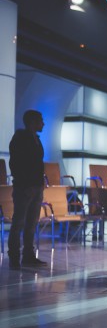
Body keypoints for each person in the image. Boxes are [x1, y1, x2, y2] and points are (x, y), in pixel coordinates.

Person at [8, 110, 48, 270]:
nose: (43, 123)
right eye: (40, 120)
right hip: (24, 188)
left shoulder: (36, 139)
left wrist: (39, 183)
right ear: (32, 122)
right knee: (18, 223)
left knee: (31, 223)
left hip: (36, 187)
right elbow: (16, 164)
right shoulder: (20, 138)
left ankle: (28, 256)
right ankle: (14, 257)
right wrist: (26, 184)